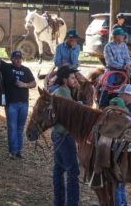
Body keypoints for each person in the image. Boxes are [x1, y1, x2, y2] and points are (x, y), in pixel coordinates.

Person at [0, 50, 36, 159]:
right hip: (11, 104)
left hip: (24, 103)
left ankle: (19, 151)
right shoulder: (7, 68)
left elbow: (33, 83)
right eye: (15, 58)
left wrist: (24, 84)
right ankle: (13, 151)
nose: (18, 60)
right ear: (11, 59)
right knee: (12, 128)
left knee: (20, 128)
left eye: (19, 58)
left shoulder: (26, 70)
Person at [51, 66, 80, 206]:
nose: (75, 80)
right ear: (64, 80)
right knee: (73, 171)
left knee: (58, 169)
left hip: (58, 135)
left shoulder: (60, 92)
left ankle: (59, 202)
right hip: (65, 136)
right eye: (72, 78)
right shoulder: (63, 94)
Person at [99, 27, 131, 108]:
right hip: (112, 69)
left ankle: (129, 103)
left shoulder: (124, 45)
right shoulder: (108, 46)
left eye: (123, 36)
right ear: (116, 36)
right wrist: (123, 66)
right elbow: (111, 62)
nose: (123, 37)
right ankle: (102, 105)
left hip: (124, 69)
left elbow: (128, 58)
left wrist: (127, 64)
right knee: (108, 86)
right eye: (121, 35)